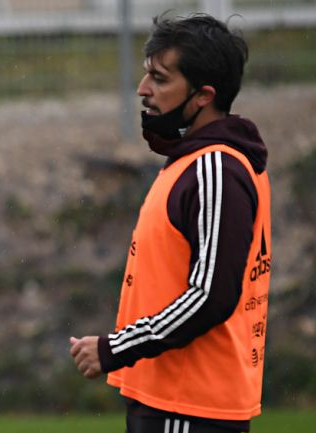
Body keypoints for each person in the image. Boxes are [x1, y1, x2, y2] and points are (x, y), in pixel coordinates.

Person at [69, 14, 271, 433]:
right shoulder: (194, 162)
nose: (143, 90)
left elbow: (210, 296)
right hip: (172, 403)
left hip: (189, 405)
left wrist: (114, 348)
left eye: (159, 79)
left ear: (202, 96)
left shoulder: (217, 168)